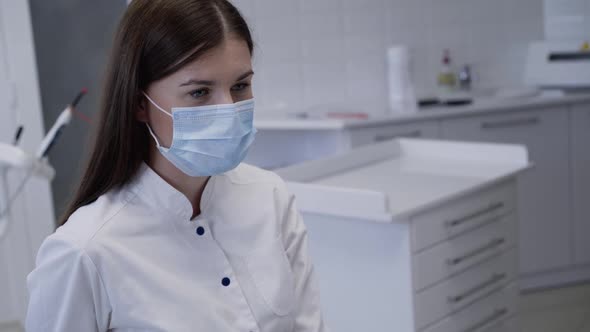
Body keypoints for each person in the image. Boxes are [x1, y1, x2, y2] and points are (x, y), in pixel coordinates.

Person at [25, 1, 327, 331]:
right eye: (199, 92)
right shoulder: (84, 252)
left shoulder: (271, 197)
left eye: (240, 86)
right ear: (141, 104)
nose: (228, 110)